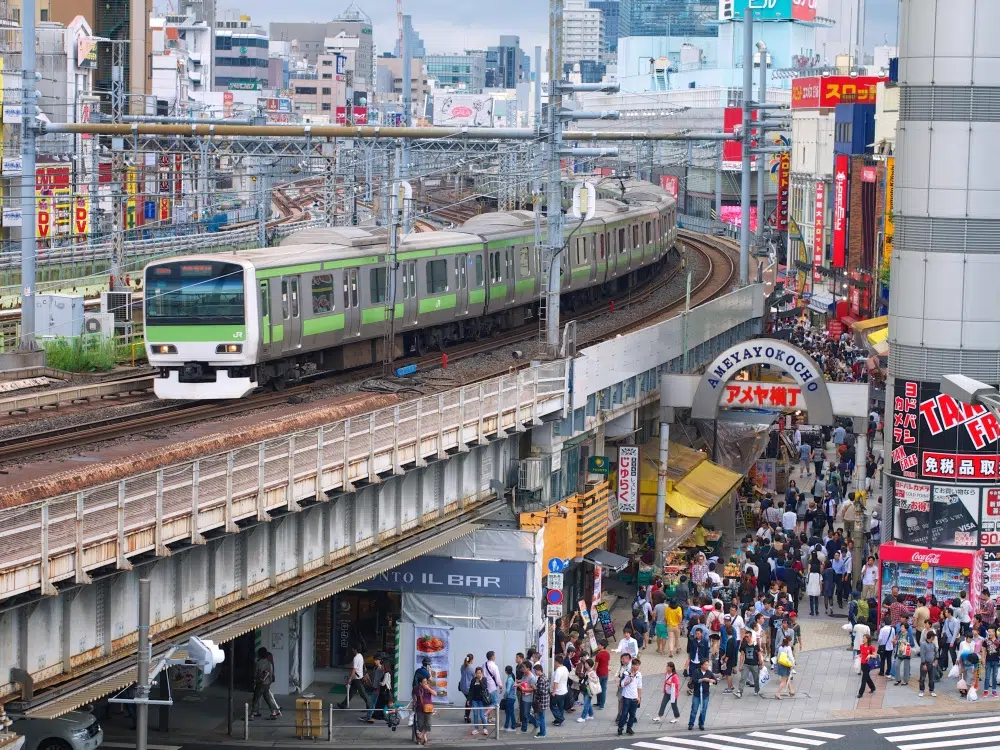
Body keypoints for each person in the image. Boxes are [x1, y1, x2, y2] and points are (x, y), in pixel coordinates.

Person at [251, 646, 281, 720]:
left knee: (256, 698)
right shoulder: (269, 663)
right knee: (267, 698)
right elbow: (270, 674)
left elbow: (255, 673)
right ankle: (273, 712)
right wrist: (269, 682)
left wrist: (254, 680)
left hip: (260, 683)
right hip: (267, 684)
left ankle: (253, 713)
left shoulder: (258, 663)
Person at [689, 659, 717, 731]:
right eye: (706, 664)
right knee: (694, 709)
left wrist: (712, 681)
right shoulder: (696, 671)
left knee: (703, 710)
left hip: (705, 694)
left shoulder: (709, 673)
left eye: (708, 664)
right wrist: (702, 680)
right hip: (697, 694)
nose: (707, 666)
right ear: (702, 665)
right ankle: (691, 724)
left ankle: (701, 723)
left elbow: (715, 681)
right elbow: (694, 680)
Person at [617, 657, 643, 736]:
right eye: (636, 665)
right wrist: (629, 680)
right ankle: (620, 728)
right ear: (632, 666)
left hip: (634, 697)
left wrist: (639, 697)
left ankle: (629, 728)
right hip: (626, 697)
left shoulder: (639, 674)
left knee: (632, 714)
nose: (637, 667)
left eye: (638, 665)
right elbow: (621, 684)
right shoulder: (626, 673)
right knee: (624, 714)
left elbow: (639, 686)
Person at [363, 655, 392, 723]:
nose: (375, 661)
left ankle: (370, 716)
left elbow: (381, 682)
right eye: (374, 660)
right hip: (376, 688)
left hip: (378, 689)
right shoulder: (377, 668)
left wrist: (377, 689)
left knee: (373, 703)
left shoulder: (381, 670)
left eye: (376, 660)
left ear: (379, 661)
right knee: (374, 703)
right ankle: (371, 716)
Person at [735, 630, 762, 699]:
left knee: (756, 678)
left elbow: (759, 654)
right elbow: (742, 655)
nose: (746, 638)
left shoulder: (755, 645)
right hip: (746, 664)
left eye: (747, 637)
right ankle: (739, 691)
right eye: (745, 637)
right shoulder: (744, 645)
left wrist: (761, 663)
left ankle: (757, 690)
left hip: (755, 664)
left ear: (751, 637)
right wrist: (740, 665)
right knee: (743, 678)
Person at [412, 674, 435, 746]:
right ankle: (425, 739)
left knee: (428, 724)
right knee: (420, 725)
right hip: (419, 708)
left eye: (426, 681)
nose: (426, 683)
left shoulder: (429, 687)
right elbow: (413, 694)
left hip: (429, 708)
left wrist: (428, 688)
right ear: (420, 683)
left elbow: (435, 694)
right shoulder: (416, 689)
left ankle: (420, 736)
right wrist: (414, 701)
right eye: (424, 682)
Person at [468, 667, 489, 736]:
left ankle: (485, 728)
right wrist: (469, 699)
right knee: (475, 714)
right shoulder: (473, 680)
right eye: (477, 673)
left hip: (481, 700)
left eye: (480, 673)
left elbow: (484, 687)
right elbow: (471, 690)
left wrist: (480, 680)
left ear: (482, 673)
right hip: (474, 699)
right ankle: (476, 728)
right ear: (475, 673)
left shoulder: (484, 679)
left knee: (482, 715)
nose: (478, 674)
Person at [894, 619, 916, 686]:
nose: (901, 628)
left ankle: (905, 680)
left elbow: (912, 644)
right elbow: (898, 641)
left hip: (906, 653)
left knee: (906, 667)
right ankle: (898, 679)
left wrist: (907, 643)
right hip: (899, 652)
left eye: (902, 627)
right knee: (896, 665)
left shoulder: (909, 635)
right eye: (901, 627)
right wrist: (896, 642)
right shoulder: (900, 634)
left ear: (906, 628)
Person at [577, 658, 599, 723]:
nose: (585, 664)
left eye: (586, 663)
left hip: (589, 690)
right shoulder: (586, 671)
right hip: (585, 689)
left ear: (589, 665)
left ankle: (583, 717)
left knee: (586, 704)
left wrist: (590, 678)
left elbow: (595, 680)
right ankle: (591, 714)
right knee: (587, 703)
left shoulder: (592, 672)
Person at [529, 664, 548, 738]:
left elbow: (541, 691)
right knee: (541, 717)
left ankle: (543, 733)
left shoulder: (542, 679)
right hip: (543, 701)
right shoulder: (543, 677)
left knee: (541, 717)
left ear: (539, 670)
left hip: (541, 702)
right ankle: (542, 732)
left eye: (535, 671)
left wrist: (535, 688)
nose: (535, 673)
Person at [918, 630, 938, 698]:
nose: (934, 638)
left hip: (931, 664)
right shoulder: (923, 644)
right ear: (930, 637)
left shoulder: (933, 644)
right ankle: (921, 690)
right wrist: (923, 664)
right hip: (925, 663)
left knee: (931, 678)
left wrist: (936, 659)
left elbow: (936, 652)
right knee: (922, 678)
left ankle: (931, 690)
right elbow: (922, 654)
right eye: (933, 637)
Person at [551, 656, 569, 726]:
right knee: (560, 706)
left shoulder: (558, 670)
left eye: (555, 661)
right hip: (564, 691)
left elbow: (556, 682)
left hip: (558, 692)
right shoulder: (565, 668)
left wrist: (553, 692)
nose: (554, 663)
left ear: (557, 662)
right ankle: (558, 719)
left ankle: (560, 718)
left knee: (553, 706)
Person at [858, 633, 878, 698]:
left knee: (864, 679)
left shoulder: (871, 647)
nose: (863, 639)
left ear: (868, 639)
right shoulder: (861, 646)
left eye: (865, 638)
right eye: (863, 638)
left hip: (868, 664)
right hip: (862, 663)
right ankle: (873, 687)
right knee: (867, 677)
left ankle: (860, 693)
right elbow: (862, 653)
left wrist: (870, 655)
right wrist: (859, 655)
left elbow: (875, 655)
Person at [594, 641, 611, 709]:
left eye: (599, 644)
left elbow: (596, 666)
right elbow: (608, 663)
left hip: (599, 673)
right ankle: (602, 704)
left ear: (602, 646)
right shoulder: (607, 653)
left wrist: (592, 670)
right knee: (603, 689)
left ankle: (599, 702)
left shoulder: (598, 655)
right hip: (605, 673)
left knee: (598, 688)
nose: (598, 645)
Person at [459, 653, 475, 723]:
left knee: (468, 700)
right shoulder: (471, 668)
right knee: (469, 702)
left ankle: (466, 715)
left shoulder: (462, 666)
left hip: (462, 687)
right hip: (468, 688)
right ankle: (466, 716)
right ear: (471, 660)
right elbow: (475, 678)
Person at [503, 665, 518, 731]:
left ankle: (512, 726)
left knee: (510, 712)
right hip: (512, 697)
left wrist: (505, 696)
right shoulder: (511, 677)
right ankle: (507, 725)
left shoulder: (509, 679)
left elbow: (508, 690)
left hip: (510, 698)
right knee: (509, 712)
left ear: (506, 671)